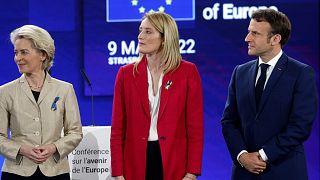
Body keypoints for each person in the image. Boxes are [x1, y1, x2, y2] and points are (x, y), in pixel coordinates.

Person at [221, 9, 318, 179]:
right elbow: (229, 121)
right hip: (244, 172)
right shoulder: (240, 72)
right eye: (249, 31)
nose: (247, 38)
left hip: (284, 171)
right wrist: (242, 156)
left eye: (255, 33)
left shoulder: (301, 73)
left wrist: (262, 155)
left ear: (275, 39)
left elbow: (300, 126)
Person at [110, 11, 204, 180]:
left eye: (148, 32)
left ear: (164, 38)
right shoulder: (126, 74)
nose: (140, 36)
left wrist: (191, 172)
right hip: (136, 163)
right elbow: (118, 128)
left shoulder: (187, 72)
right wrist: (118, 172)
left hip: (173, 163)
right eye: (140, 30)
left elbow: (195, 128)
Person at [0, 25, 83, 179]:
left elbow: (75, 132)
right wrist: (21, 149)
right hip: (17, 172)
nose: (18, 58)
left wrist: (54, 147)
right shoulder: (5, 92)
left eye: (24, 52)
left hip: (55, 170)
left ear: (43, 55)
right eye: (16, 53)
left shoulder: (64, 89)